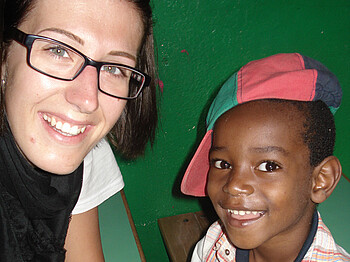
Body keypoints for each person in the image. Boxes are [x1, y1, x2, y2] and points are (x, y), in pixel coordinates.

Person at [0, 0, 158, 261]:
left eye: (113, 68)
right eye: (58, 50)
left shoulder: (77, 143)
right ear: (5, 55)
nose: (88, 100)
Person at [181, 53, 350, 261]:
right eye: (222, 163)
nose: (233, 185)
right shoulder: (214, 243)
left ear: (320, 180)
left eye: (268, 166)